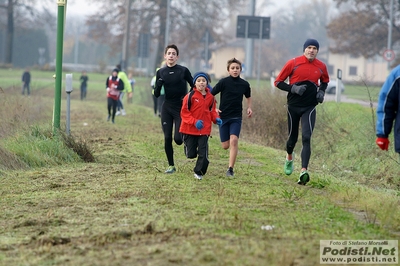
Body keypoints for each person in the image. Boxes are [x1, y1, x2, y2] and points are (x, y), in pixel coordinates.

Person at [274, 38, 329, 185]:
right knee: (292, 138)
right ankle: (289, 157)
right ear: (304, 49)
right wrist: (293, 88)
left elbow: (325, 81)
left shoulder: (321, 66)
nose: (311, 50)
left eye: (314, 48)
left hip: (309, 107)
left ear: (317, 51)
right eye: (309, 48)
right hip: (293, 106)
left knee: (306, 137)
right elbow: (278, 82)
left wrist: (321, 92)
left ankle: (303, 170)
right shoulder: (293, 63)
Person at [153, 44, 194, 173]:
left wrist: (189, 98)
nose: (171, 55)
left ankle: (187, 141)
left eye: (173, 53)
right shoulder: (161, 72)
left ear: (177, 57)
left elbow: (194, 85)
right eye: (169, 53)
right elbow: (156, 94)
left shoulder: (183, 70)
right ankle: (171, 165)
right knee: (167, 138)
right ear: (165, 56)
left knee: (178, 139)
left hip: (181, 108)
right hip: (167, 107)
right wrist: (158, 85)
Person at [211, 58, 252, 177]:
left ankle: (230, 169)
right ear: (228, 70)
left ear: (240, 70)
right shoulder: (223, 82)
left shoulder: (244, 84)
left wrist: (249, 107)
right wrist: (214, 108)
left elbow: (248, 96)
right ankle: (229, 162)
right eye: (232, 68)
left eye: (237, 68)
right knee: (225, 146)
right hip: (223, 116)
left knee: (234, 140)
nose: (235, 70)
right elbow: (211, 95)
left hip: (236, 117)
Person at [180, 72, 222, 180]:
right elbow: (184, 113)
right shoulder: (190, 96)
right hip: (189, 129)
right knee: (191, 154)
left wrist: (216, 119)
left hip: (204, 129)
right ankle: (188, 149)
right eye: (198, 81)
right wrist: (194, 122)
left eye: (203, 80)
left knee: (204, 153)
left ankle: (199, 172)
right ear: (195, 83)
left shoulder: (211, 97)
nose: (201, 83)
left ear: (207, 83)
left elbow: (212, 111)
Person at [375, 64, 400, 156]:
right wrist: (382, 134)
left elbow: (386, 103)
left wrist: (383, 133)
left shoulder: (397, 73)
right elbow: (387, 103)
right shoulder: (397, 74)